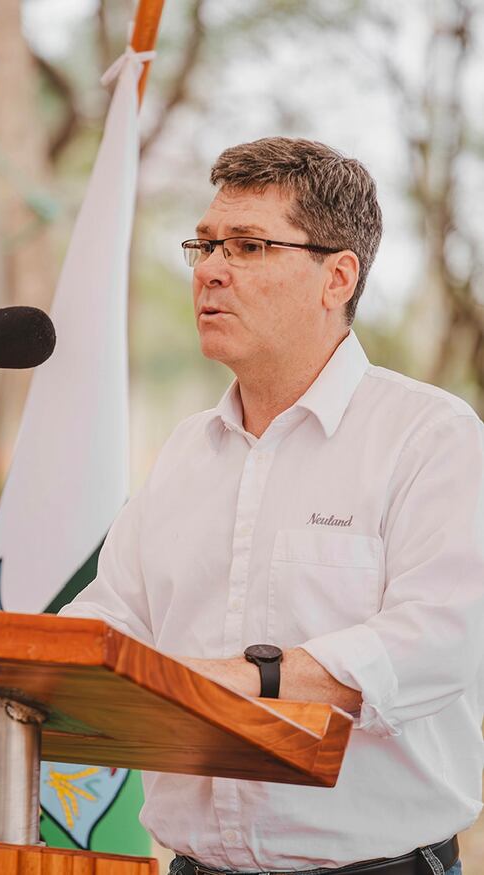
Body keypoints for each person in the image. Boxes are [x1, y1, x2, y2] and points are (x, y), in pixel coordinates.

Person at [59, 137, 483, 874]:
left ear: (337, 278)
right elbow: (108, 622)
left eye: (249, 246)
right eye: (205, 245)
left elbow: (443, 635)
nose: (210, 270)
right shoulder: (186, 451)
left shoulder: (430, 435)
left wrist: (253, 676)